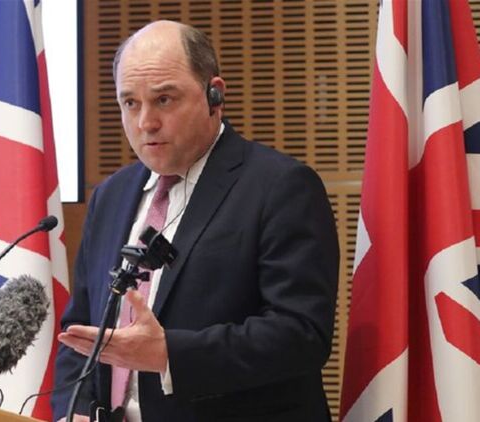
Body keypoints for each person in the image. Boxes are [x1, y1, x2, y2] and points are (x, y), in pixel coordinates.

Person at [51, 20, 339, 422]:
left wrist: (170, 354)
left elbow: (301, 334)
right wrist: (76, 410)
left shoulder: (281, 187)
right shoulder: (110, 197)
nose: (145, 122)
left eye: (164, 99)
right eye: (130, 103)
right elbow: (79, 331)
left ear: (214, 95)